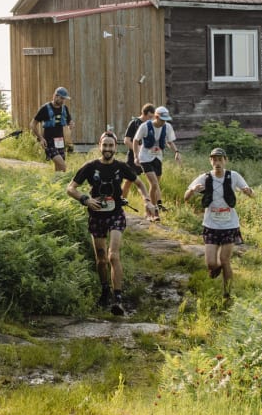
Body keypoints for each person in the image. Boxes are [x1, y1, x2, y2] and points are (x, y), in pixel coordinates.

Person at [66, 132, 141, 315]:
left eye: (111, 145)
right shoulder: (90, 167)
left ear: (116, 147)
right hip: (96, 215)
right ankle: (105, 291)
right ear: (99, 145)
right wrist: (85, 199)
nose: (108, 149)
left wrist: (148, 201)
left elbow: (139, 182)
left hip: (116, 214)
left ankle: (118, 298)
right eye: (105, 145)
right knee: (100, 259)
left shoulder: (121, 166)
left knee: (113, 256)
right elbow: (70, 188)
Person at [183, 147, 255, 300]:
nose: (217, 162)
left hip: (230, 225)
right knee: (211, 263)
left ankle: (227, 293)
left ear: (225, 161)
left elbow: (249, 192)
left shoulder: (233, 176)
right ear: (210, 161)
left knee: (224, 259)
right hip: (210, 225)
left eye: (220, 159)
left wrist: (249, 192)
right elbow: (186, 196)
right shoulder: (205, 177)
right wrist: (193, 190)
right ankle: (217, 270)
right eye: (214, 159)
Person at [132, 105, 180, 220]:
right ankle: (155, 211)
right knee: (154, 184)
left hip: (157, 158)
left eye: (166, 120)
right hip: (145, 158)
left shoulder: (167, 127)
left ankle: (148, 210)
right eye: (162, 119)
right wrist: (136, 156)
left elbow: (170, 142)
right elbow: (135, 140)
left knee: (154, 186)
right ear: (156, 117)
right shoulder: (145, 126)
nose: (164, 122)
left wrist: (176, 152)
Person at [120, 102, 155, 205]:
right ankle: (121, 201)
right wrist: (137, 151)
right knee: (128, 180)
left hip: (146, 157)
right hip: (133, 157)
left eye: (152, 117)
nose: (151, 119)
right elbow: (126, 140)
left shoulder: (149, 125)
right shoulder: (134, 123)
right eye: (149, 117)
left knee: (152, 181)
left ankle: (154, 204)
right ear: (144, 113)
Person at [32, 86, 72, 173]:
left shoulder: (65, 109)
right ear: (55, 96)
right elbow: (33, 124)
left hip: (60, 141)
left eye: (64, 99)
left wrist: (71, 124)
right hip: (48, 142)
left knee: (59, 170)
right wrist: (41, 138)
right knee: (63, 166)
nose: (63, 101)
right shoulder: (45, 108)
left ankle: (55, 185)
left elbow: (69, 121)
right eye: (62, 98)